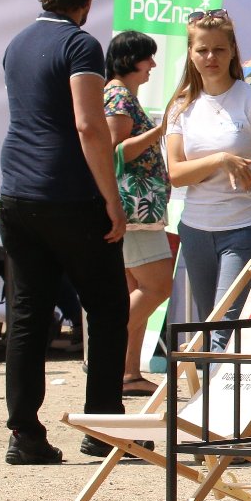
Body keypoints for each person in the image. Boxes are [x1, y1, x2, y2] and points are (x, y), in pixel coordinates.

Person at [0, 0, 130, 465]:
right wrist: (111, 200)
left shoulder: (17, 43)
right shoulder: (80, 44)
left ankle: (24, 432)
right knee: (107, 304)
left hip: (17, 190)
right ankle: (102, 425)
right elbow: (89, 126)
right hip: (68, 191)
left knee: (29, 312)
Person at [164, 9, 251, 334]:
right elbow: (176, 174)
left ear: (232, 51)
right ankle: (215, 387)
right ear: (191, 53)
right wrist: (220, 159)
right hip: (195, 230)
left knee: (224, 328)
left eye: (219, 49)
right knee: (210, 329)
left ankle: (211, 386)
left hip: (246, 228)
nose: (211, 57)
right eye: (202, 49)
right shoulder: (181, 106)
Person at [104, 30, 173, 396]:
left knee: (137, 289)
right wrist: (159, 132)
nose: (152, 66)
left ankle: (126, 372)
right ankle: (106, 355)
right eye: (148, 58)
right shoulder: (117, 95)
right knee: (157, 285)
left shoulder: (121, 94)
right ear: (131, 59)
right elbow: (115, 152)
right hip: (134, 209)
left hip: (138, 208)